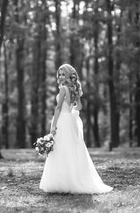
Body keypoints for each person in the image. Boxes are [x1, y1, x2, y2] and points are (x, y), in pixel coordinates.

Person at [39, 63, 113, 194]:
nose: (61, 76)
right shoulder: (74, 89)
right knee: (72, 148)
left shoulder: (63, 89)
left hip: (62, 120)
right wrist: (72, 107)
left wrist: (53, 126)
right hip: (71, 120)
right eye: (59, 74)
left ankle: (63, 182)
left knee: (61, 149)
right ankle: (73, 179)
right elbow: (79, 107)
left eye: (63, 74)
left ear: (68, 75)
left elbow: (58, 108)